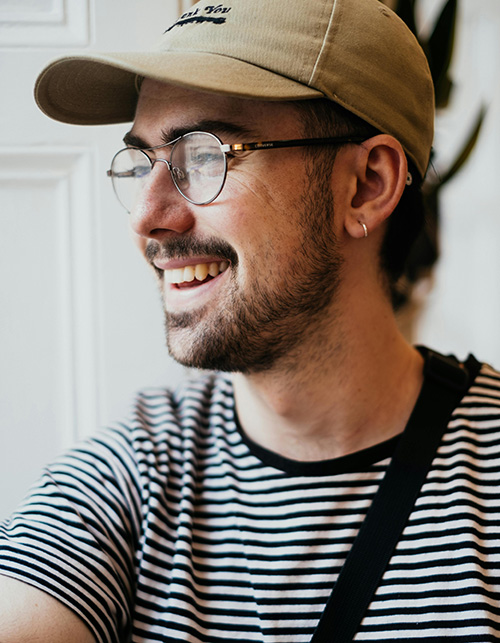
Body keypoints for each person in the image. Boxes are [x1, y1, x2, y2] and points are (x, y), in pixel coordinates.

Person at [1, 0, 500, 641]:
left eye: (205, 157)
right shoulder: (133, 478)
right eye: (141, 161)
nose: (147, 217)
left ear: (367, 184)